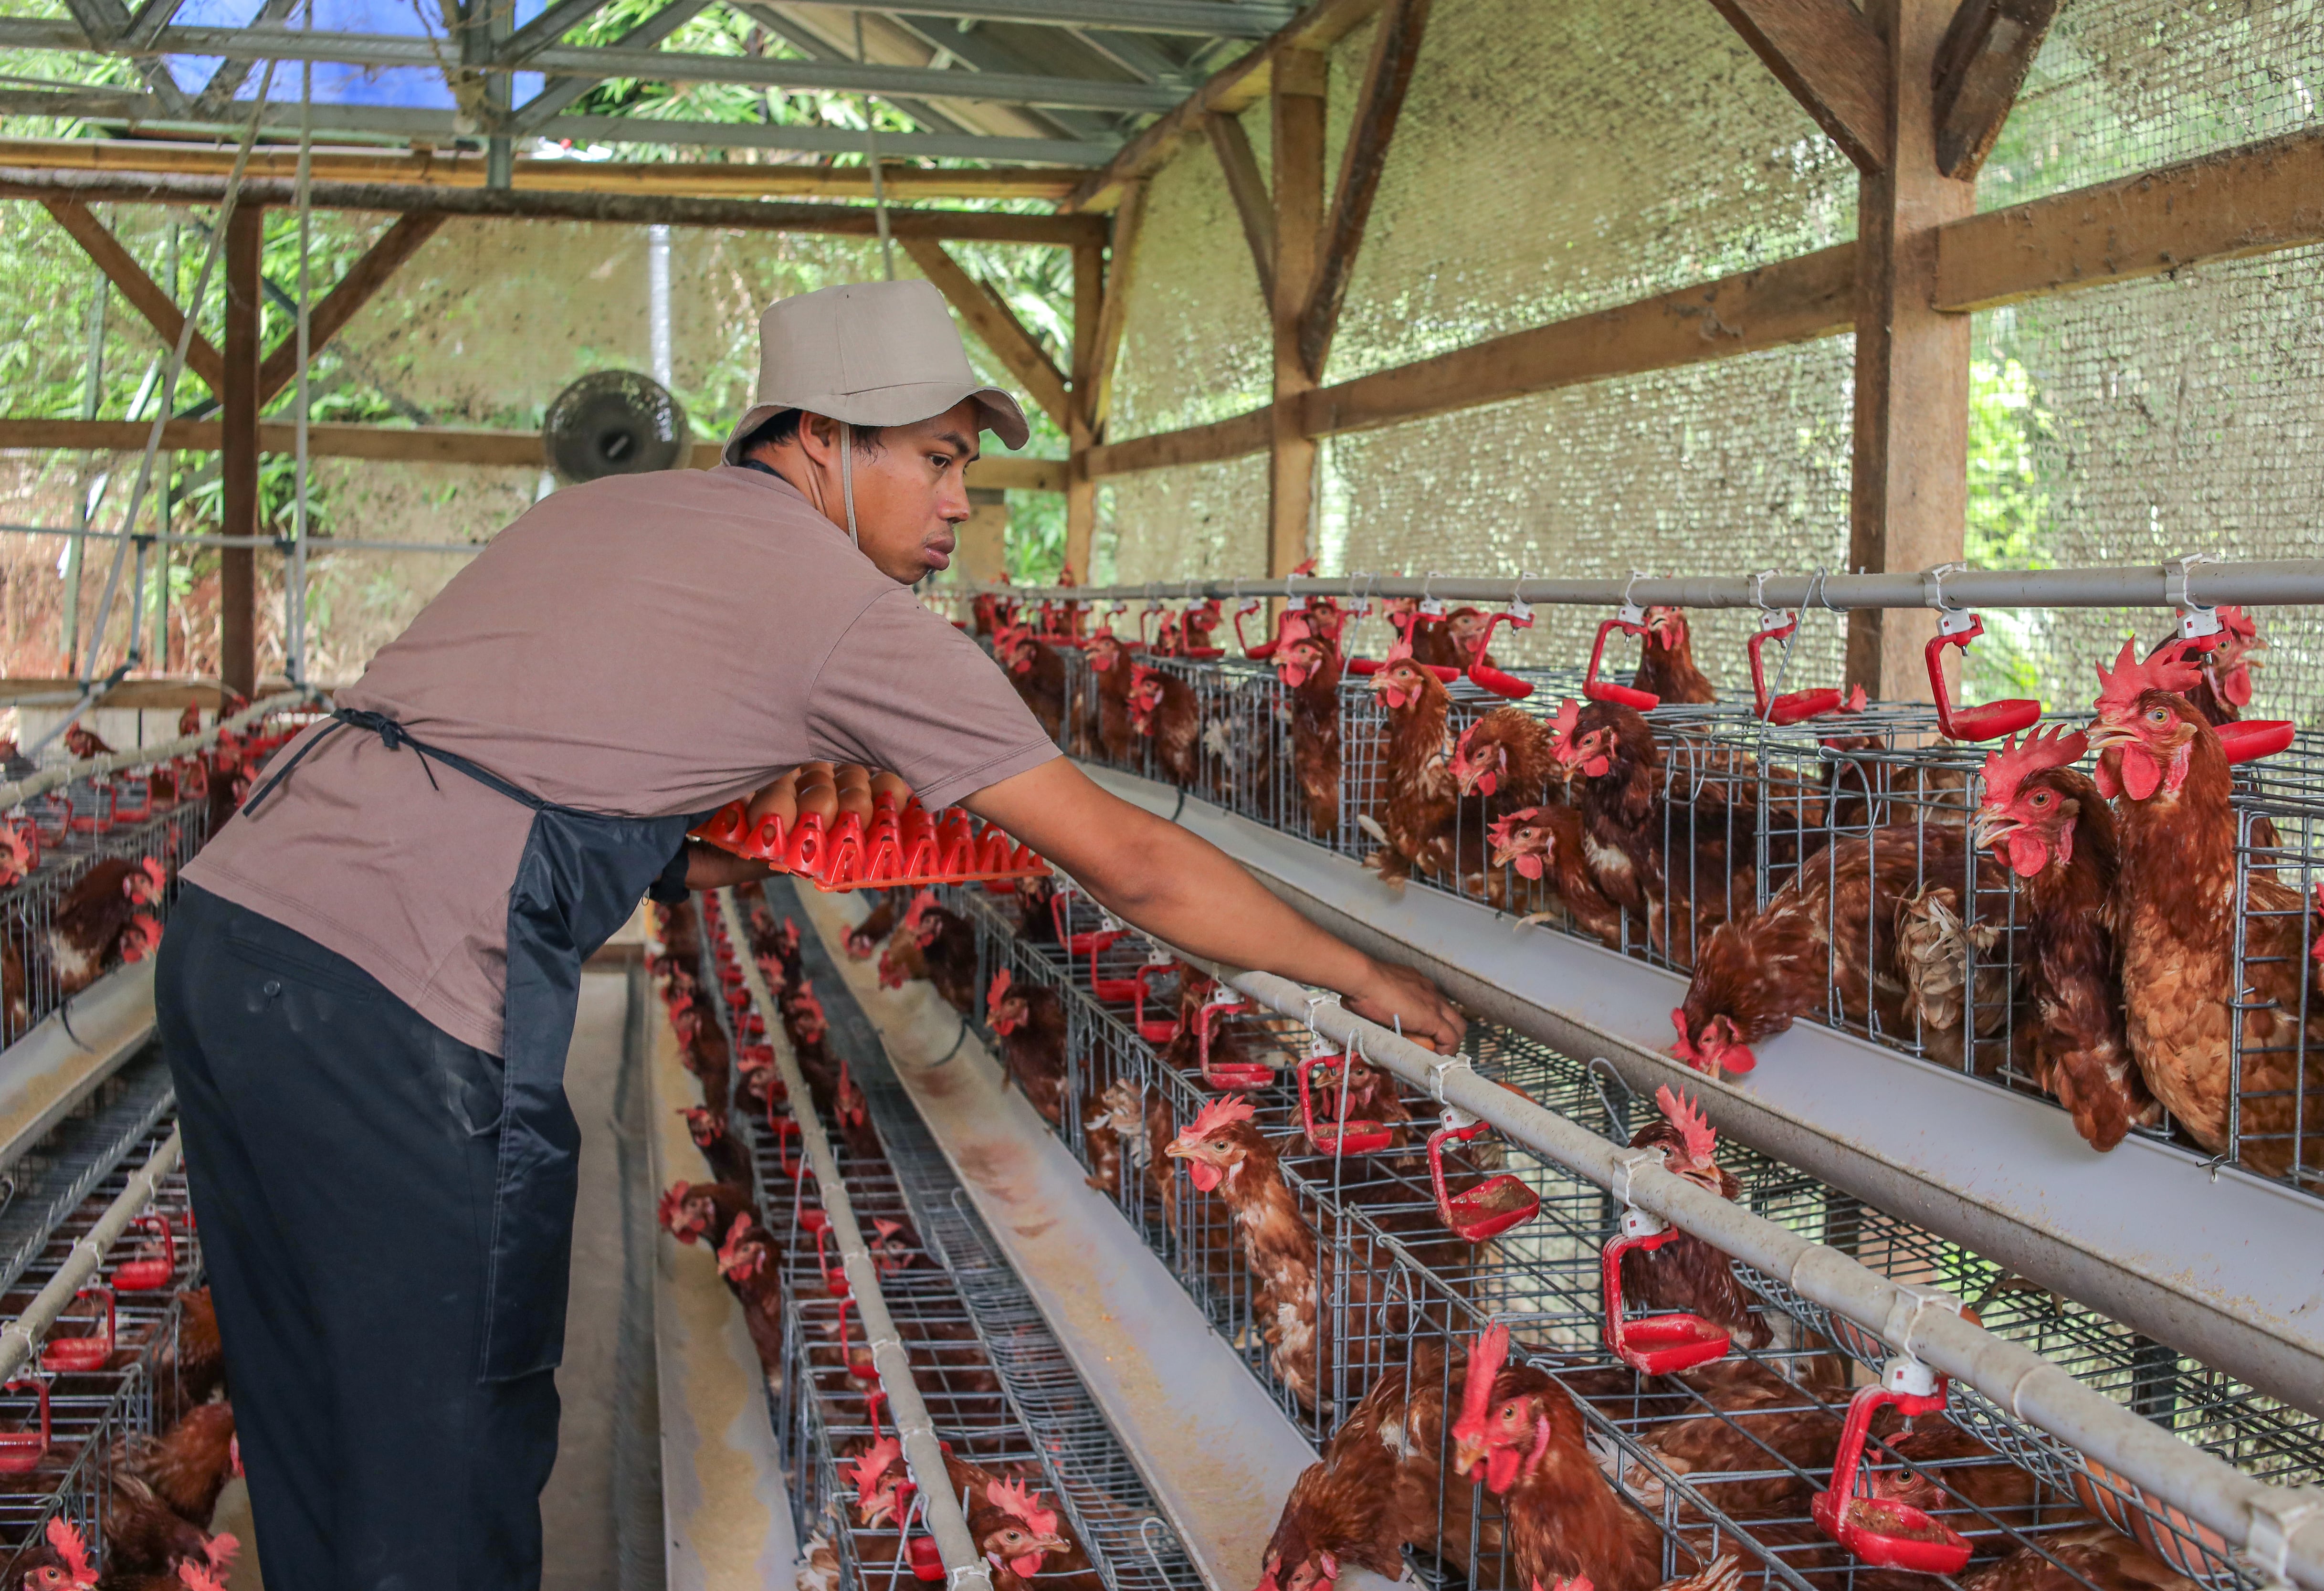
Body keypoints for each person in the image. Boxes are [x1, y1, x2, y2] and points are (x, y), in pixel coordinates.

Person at [155, 278, 1462, 1589]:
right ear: (827, 441)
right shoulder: (842, 612)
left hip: (233, 939)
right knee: (444, 1452)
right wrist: (1358, 972)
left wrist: (735, 845)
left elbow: (554, 750)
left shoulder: (618, 510)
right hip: (395, 1001)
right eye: (941, 461)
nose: (962, 499)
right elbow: (1129, 859)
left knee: (310, 1410)